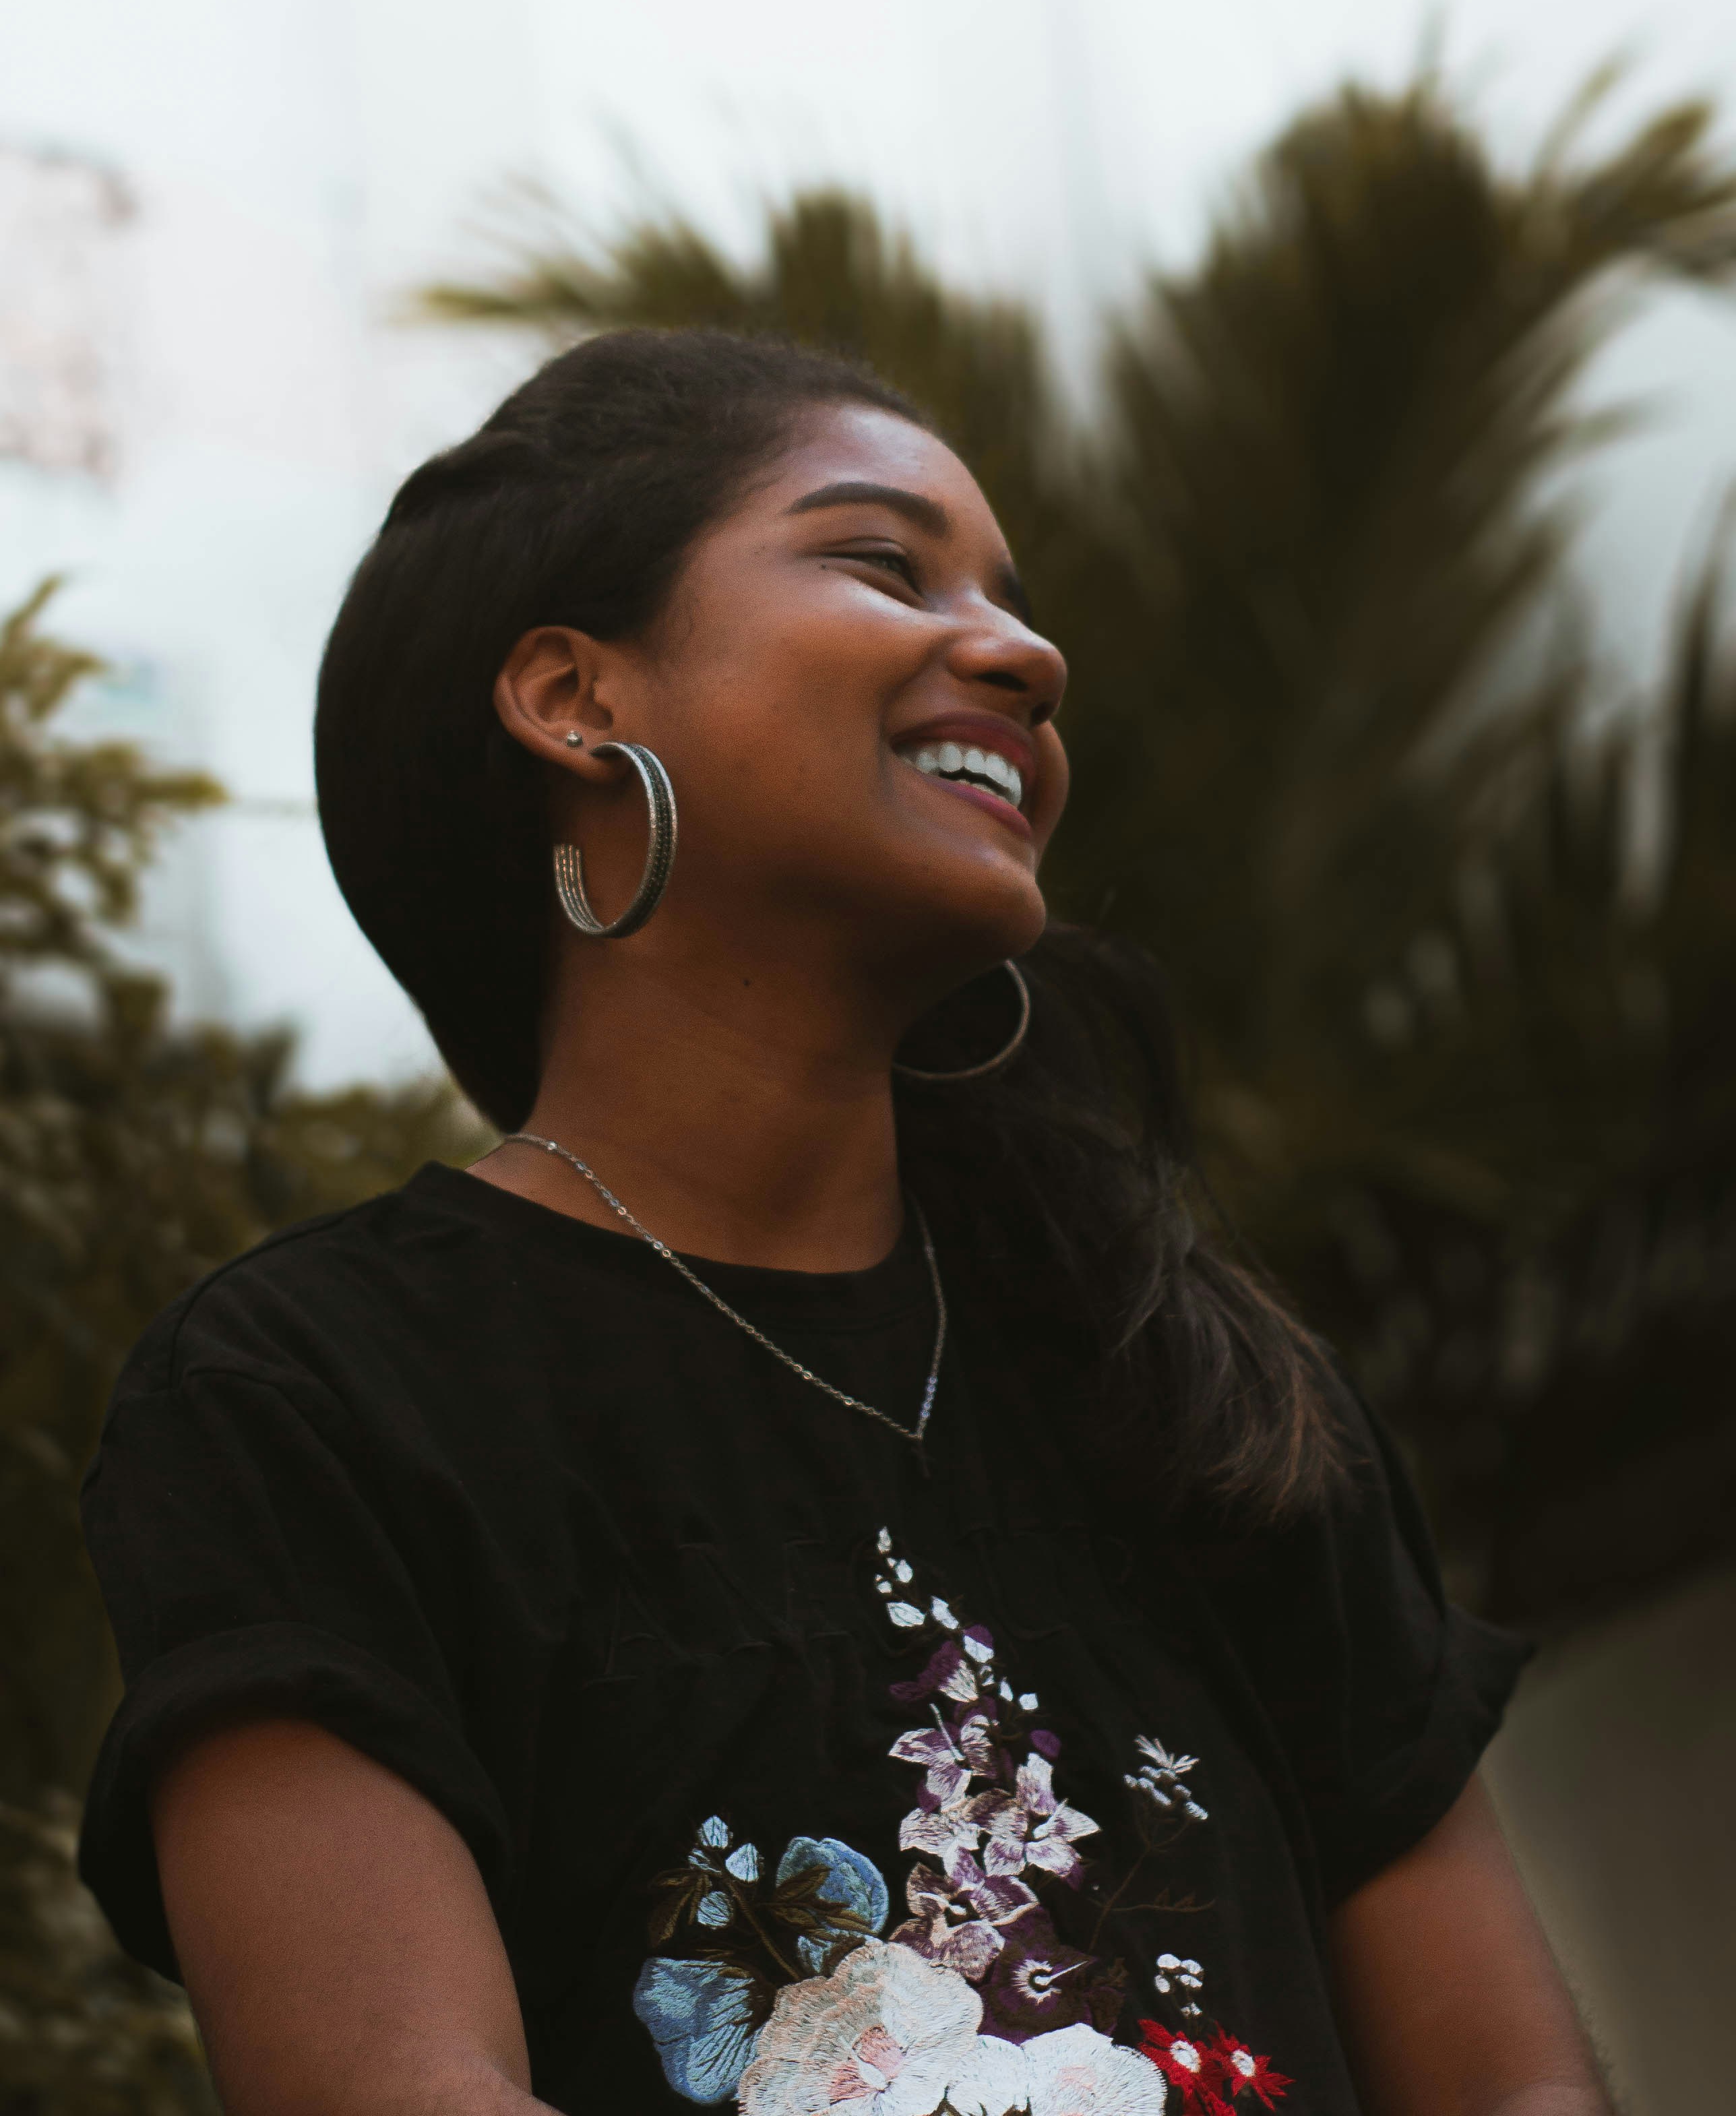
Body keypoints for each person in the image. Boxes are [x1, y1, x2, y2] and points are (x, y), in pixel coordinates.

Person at [79, 330, 1609, 2116]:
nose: (1028, 656)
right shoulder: (320, 1397)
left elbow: (1515, 2088)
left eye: (1015, 604)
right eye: (884, 564)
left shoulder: (1203, 1396)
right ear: (577, 698)